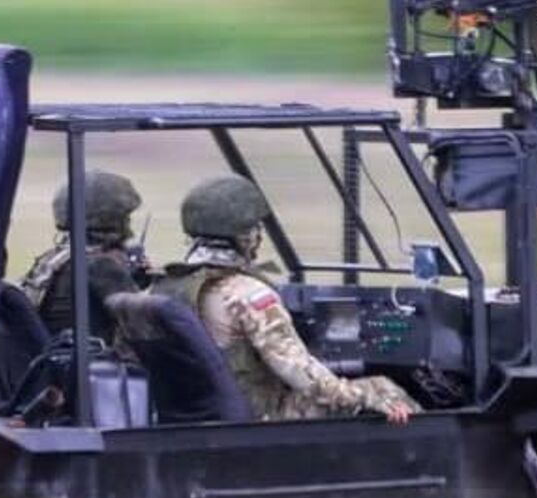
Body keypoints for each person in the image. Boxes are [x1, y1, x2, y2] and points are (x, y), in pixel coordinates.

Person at [152, 175, 420, 423]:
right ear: (245, 237)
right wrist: (368, 398)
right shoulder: (248, 295)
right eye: (256, 228)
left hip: (195, 417)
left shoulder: (164, 289)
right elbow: (302, 375)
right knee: (383, 387)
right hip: (262, 418)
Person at [18, 170, 150, 342]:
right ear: (110, 218)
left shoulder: (53, 259)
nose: (129, 226)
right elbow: (144, 328)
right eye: (125, 217)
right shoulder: (100, 266)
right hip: (90, 362)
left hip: (56, 356)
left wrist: (132, 278)